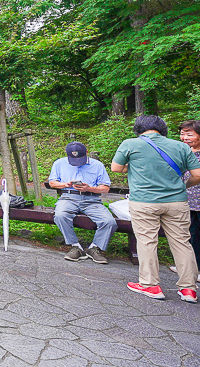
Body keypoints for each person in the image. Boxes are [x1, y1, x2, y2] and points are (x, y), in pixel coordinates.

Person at [112, 114, 200, 302]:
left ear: (138, 128)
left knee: (147, 242)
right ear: (163, 129)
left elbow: (116, 168)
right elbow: (198, 175)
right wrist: (184, 186)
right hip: (177, 202)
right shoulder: (181, 146)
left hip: (144, 202)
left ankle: (150, 285)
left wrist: (135, 166)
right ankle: (189, 289)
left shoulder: (130, 144)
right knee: (182, 243)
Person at [48, 142, 115, 263]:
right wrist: (65, 184)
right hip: (68, 197)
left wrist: (89, 188)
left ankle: (94, 248)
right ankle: (75, 246)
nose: (78, 163)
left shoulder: (97, 165)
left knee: (109, 221)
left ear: (87, 152)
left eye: (80, 159)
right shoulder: (59, 163)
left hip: (91, 200)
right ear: (67, 154)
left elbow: (105, 188)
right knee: (60, 215)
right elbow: (52, 182)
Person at [171, 120, 200, 280]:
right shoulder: (182, 151)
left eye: (189, 134)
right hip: (186, 201)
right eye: (182, 134)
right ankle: (188, 267)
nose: (185, 138)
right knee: (188, 235)